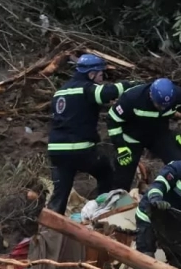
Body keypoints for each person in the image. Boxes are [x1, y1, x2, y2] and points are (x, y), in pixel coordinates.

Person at [46, 54, 135, 214]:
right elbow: (106, 93)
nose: (102, 78)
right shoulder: (86, 88)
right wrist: (129, 85)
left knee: (61, 192)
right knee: (105, 171)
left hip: (56, 150)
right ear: (91, 74)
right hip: (79, 149)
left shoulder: (60, 92)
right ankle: (102, 211)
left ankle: (50, 229)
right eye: (101, 74)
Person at [107, 77, 181, 190]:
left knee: (179, 165)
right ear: (151, 96)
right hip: (132, 137)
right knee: (123, 176)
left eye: (166, 106)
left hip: (159, 135)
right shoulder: (133, 97)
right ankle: (119, 200)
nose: (162, 108)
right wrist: (121, 147)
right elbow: (113, 120)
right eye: (159, 105)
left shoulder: (178, 96)